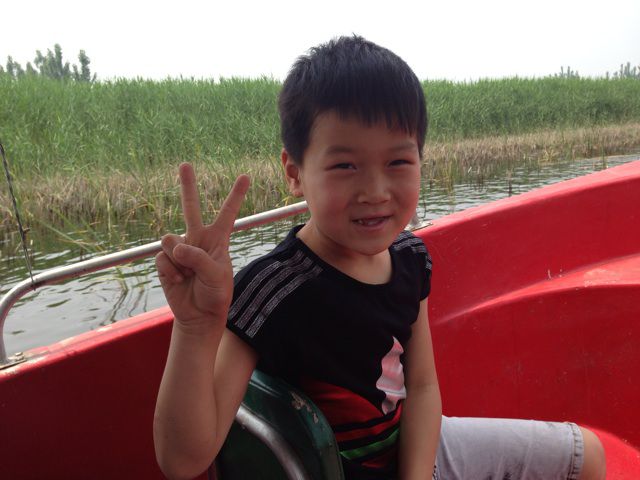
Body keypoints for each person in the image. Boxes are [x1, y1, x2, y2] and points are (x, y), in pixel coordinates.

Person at [153, 36, 606, 480]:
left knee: (588, 455)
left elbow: (422, 386)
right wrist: (196, 327)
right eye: (345, 166)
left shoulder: (410, 258)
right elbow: (184, 461)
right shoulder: (271, 289)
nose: (375, 191)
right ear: (295, 173)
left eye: (398, 163)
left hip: (416, 448)